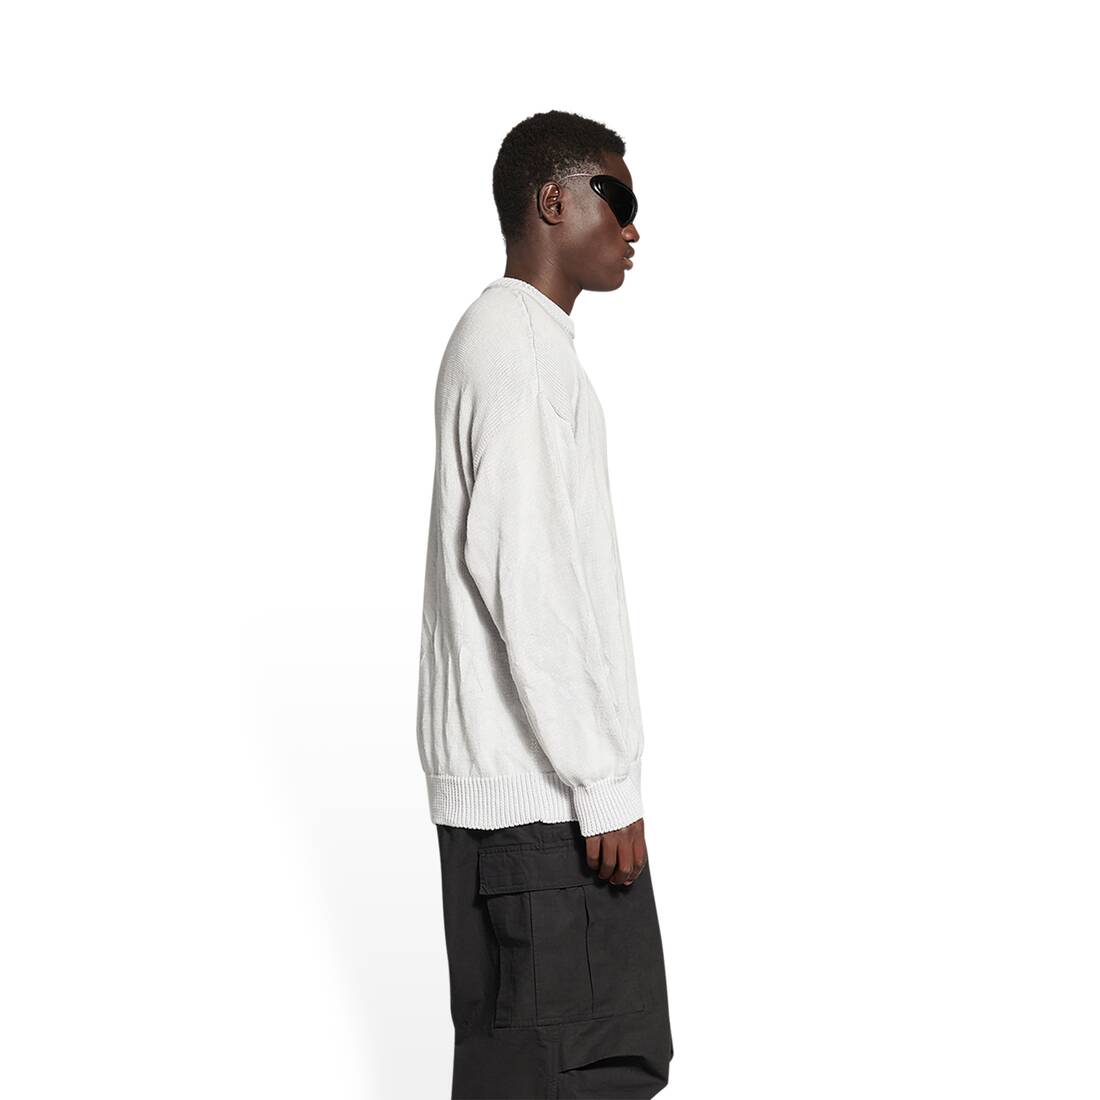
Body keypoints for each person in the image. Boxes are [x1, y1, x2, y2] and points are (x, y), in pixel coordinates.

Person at [416, 109, 673, 1099]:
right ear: (553, 200)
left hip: (524, 817)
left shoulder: (517, 344)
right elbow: (528, 577)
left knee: (539, 1074)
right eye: (618, 198)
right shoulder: (517, 351)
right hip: (543, 817)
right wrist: (601, 781)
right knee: (581, 1074)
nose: (633, 226)